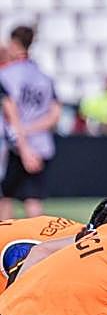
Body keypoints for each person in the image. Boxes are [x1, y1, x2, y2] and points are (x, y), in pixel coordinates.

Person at [0, 27, 60, 221]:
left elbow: (11, 113)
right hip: (41, 145)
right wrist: (32, 131)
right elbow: (55, 115)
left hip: (14, 145)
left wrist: (23, 143)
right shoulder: (44, 76)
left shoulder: (7, 75)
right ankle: (36, 245)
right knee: (33, 199)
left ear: (14, 44)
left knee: (4, 198)